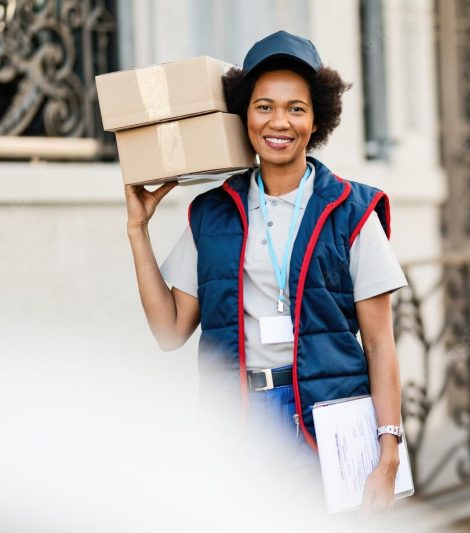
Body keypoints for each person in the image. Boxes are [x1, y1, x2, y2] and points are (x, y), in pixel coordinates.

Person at [124, 30, 407, 515]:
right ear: (244, 116)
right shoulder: (212, 213)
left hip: (326, 422)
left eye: (296, 108)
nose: (280, 122)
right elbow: (170, 332)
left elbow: (380, 343)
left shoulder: (353, 210)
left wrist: (389, 449)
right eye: (264, 106)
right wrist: (137, 231)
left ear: (317, 118)